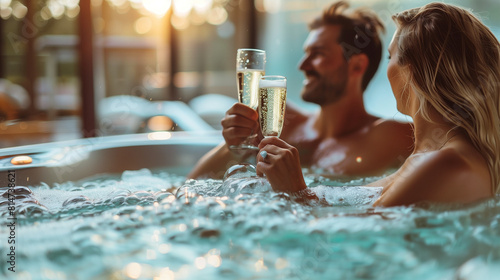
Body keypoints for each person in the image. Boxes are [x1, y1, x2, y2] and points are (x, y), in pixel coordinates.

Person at [257, 2, 500, 206]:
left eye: (390, 57)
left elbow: (352, 241)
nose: (387, 69)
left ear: (412, 71)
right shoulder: (431, 156)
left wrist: (295, 192)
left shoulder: (446, 162)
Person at [188, 1, 414, 179]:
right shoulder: (280, 121)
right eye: (306, 53)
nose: (302, 65)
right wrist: (231, 148)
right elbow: (192, 185)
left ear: (356, 65)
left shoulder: (389, 137)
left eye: (318, 54)